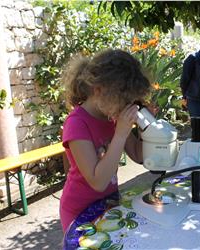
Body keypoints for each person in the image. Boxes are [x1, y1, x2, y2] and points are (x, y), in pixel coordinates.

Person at [60, 49, 151, 232]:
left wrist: (145, 128)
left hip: (108, 204)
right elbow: (98, 182)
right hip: (80, 212)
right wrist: (120, 134)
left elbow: (139, 155)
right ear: (99, 90)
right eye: (124, 100)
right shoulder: (77, 124)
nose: (127, 106)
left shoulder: (112, 116)